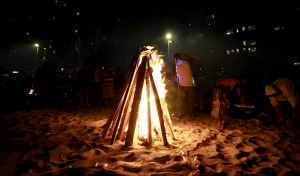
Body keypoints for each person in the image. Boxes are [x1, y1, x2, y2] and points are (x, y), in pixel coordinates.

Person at [172, 53, 197, 119]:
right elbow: (174, 77)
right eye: (176, 58)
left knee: (184, 100)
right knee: (185, 100)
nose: (177, 59)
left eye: (177, 58)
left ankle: (186, 114)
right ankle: (186, 114)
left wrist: (188, 56)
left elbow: (195, 61)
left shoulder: (182, 63)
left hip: (186, 85)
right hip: (186, 85)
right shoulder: (179, 65)